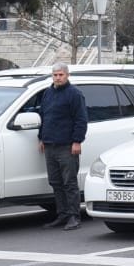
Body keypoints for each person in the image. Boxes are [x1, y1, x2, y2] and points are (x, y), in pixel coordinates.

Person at [38, 63, 89, 231]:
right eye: (55, 75)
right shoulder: (47, 93)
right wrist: (41, 138)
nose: (58, 78)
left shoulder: (74, 94)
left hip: (67, 146)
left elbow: (81, 119)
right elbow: (44, 116)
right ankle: (62, 214)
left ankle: (74, 216)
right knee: (55, 182)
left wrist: (77, 141)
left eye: (61, 75)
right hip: (50, 145)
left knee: (69, 182)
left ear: (67, 75)